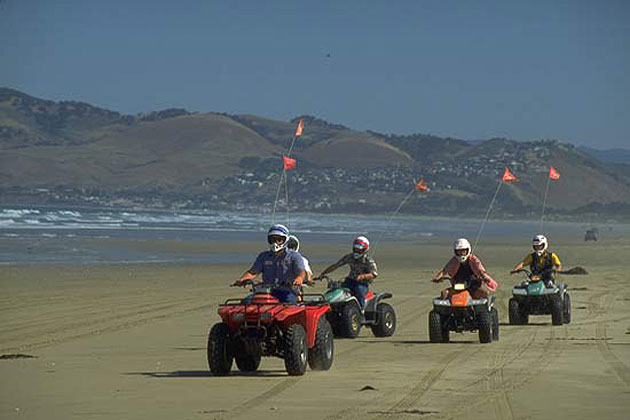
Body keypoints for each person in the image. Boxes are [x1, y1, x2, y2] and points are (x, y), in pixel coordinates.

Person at [234, 224, 306, 304]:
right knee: (246, 302)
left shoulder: (294, 256)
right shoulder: (264, 256)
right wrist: (241, 280)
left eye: (279, 240)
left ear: (285, 240)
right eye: (272, 240)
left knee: (290, 304)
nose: (275, 243)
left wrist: (299, 278)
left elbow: (301, 271)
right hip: (266, 291)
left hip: (286, 291)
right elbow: (253, 272)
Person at [317, 236, 377, 309]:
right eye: (355, 249)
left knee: (359, 291)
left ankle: (361, 310)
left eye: (359, 250)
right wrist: (323, 273)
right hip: (350, 280)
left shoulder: (369, 260)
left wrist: (363, 276)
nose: (357, 251)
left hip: (362, 283)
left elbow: (374, 274)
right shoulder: (350, 257)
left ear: (365, 249)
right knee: (336, 288)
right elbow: (336, 265)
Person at [432, 238, 498, 299]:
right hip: (457, 287)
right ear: (455, 251)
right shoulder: (454, 261)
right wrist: (437, 278)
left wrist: (484, 277)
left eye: (463, 251)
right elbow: (444, 270)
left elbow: (480, 270)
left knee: (485, 293)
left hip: (473, 287)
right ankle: (443, 311)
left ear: (468, 250)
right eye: (459, 251)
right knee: (444, 293)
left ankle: (485, 310)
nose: (461, 253)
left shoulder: (473, 260)